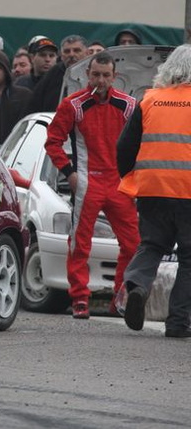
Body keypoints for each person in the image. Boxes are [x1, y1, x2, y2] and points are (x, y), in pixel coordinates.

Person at [45, 51, 140, 319]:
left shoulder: (129, 105)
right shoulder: (73, 105)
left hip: (119, 183)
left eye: (106, 75)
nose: (100, 80)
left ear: (115, 77)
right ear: (87, 75)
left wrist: (136, 177)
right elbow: (53, 141)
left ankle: (119, 299)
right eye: (95, 74)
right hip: (87, 181)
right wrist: (70, 173)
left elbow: (139, 145)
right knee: (79, 244)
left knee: (133, 245)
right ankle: (79, 299)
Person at [117, 44, 191, 337]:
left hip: (151, 188)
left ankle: (137, 286)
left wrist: (132, 178)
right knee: (189, 258)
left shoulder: (149, 100)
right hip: (188, 192)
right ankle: (177, 323)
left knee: (151, 245)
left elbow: (125, 147)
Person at [26, 35, 88, 114]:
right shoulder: (52, 75)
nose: (71, 55)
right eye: (67, 51)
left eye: (76, 50)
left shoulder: (96, 73)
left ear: (87, 53)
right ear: (61, 56)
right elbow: (33, 106)